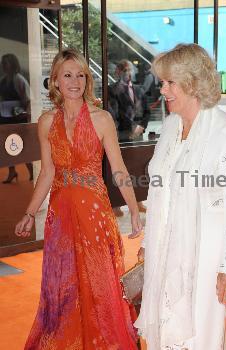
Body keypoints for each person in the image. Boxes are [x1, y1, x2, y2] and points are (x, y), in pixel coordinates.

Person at [14, 48, 143, 350]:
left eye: (81, 75)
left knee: (99, 284)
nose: (75, 81)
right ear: (55, 81)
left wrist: (135, 211)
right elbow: (46, 173)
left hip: (94, 214)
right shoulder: (46, 122)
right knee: (62, 285)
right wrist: (29, 213)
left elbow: (119, 169)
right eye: (67, 75)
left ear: (88, 79)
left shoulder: (102, 119)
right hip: (61, 215)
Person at [134, 43, 226, 350]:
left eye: (170, 82)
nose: (163, 90)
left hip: (206, 256)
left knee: (200, 336)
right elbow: (159, 188)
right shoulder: (170, 127)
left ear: (193, 83)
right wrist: (148, 242)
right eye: (163, 82)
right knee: (165, 329)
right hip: (164, 247)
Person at [0, 53, 33, 183]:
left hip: (17, 117)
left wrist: (25, 113)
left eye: (5, 63)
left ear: (12, 64)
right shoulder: (3, 80)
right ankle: (12, 171)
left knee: (21, 145)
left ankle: (31, 169)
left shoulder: (18, 79)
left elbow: (27, 99)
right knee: (6, 145)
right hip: (5, 116)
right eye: (3, 63)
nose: (3, 65)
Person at [108, 59, 150, 142]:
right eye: (125, 70)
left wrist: (141, 126)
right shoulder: (112, 89)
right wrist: (131, 128)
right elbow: (115, 113)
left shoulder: (139, 89)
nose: (129, 73)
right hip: (123, 134)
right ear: (118, 72)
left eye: (131, 70)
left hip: (138, 134)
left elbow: (147, 111)